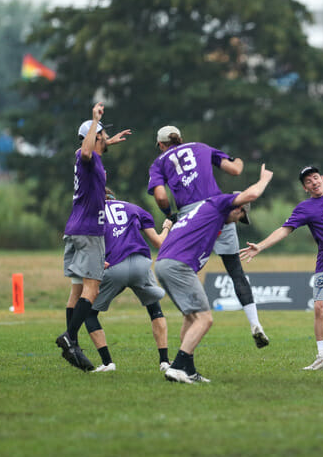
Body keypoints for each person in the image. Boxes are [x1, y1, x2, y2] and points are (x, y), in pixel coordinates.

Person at [240, 121, 323, 371]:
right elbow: (285, 230)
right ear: (305, 187)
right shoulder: (304, 208)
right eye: (308, 181)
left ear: (322, 179)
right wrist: (260, 247)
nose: (314, 182)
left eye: (316, 177)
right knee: (320, 308)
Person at [148, 126, 269, 348]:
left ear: (161, 145)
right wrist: (240, 160)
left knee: (184, 270)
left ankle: (184, 349)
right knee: (236, 272)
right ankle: (255, 324)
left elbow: (161, 196)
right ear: (181, 139)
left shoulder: (159, 162)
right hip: (218, 210)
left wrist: (168, 215)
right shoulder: (201, 147)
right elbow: (234, 170)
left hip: (190, 217)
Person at [155, 165, 273, 384]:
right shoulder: (218, 204)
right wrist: (264, 179)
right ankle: (177, 367)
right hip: (177, 266)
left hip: (164, 263)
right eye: (241, 216)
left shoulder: (207, 213)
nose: (237, 221)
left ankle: (188, 370)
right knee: (205, 319)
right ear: (238, 208)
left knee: (191, 318)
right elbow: (253, 194)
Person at [56, 102, 131, 371]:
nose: (104, 137)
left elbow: (88, 149)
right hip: (89, 231)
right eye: (102, 133)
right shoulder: (87, 156)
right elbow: (87, 150)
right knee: (92, 289)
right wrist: (94, 118)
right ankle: (69, 338)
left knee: (77, 290)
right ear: (94, 136)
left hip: (76, 229)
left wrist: (108, 140)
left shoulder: (89, 156)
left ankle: (73, 348)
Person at [84, 188, 174, 372]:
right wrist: (167, 227)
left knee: (88, 314)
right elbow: (158, 243)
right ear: (113, 197)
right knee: (154, 308)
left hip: (114, 266)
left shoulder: (92, 213)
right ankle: (164, 361)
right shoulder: (133, 208)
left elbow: (86, 243)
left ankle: (108, 363)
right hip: (140, 264)